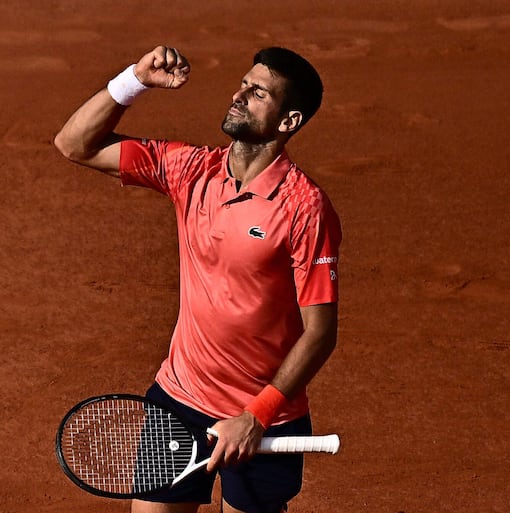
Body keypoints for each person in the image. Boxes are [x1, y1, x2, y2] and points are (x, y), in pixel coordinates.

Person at [54, 45, 342, 513]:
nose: (240, 94)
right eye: (243, 84)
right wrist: (135, 80)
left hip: (262, 416)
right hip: (179, 399)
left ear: (288, 122)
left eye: (258, 93)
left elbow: (320, 332)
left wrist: (256, 416)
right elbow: (74, 145)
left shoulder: (305, 209)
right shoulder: (191, 170)